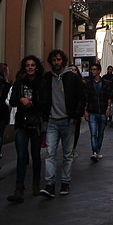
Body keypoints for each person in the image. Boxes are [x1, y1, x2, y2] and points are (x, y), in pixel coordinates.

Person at [39, 49, 86, 198]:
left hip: (68, 121)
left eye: (59, 60)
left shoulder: (72, 78)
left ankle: (65, 182)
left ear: (63, 61)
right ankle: (49, 185)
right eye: (54, 60)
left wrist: (75, 116)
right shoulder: (46, 78)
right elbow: (42, 97)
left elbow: (81, 97)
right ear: (51, 62)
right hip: (52, 121)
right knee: (50, 153)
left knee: (67, 154)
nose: (56, 62)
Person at [6, 56, 46, 203]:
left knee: (36, 155)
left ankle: (36, 184)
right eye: (27, 65)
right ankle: (19, 188)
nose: (30, 67)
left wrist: (32, 102)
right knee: (22, 156)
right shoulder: (19, 83)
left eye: (32, 65)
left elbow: (45, 102)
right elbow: (12, 101)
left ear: (36, 67)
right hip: (21, 123)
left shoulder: (42, 83)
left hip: (36, 123)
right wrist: (21, 100)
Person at [84, 62, 113, 162]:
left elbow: (109, 97)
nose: (93, 71)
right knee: (93, 133)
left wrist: (108, 108)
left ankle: (98, 150)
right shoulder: (88, 84)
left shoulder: (105, 83)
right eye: (92, 69)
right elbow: (86, 98)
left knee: (100, 133)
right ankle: (94, 152)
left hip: (102, 111)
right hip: (92, 111)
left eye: (95, 69)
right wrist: (85, 111)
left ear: (99, 71)